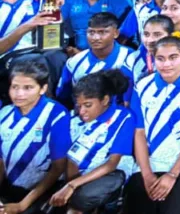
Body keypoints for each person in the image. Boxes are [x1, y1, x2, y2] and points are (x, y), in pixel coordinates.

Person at [126, 35, 180, 212]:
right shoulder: (142, 86)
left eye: (173, 57)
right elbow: (139, 132)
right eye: (160, 59)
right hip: (148, 162)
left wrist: (172, 174)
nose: (166, 64)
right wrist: (147, 174)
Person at [49, 70, 135, 213]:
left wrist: (72, 186)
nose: (82, 111)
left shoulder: (123, 118)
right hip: (77, 175)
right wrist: (70, 185)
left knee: (82, 198)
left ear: (105, 100)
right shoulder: (73, 118)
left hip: (108, 174)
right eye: (78, 105)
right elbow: (71, 159)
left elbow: (111, 164)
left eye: (88, 105)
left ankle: (111, 201)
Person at [0, 60, 71, 212]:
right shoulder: (4, 114)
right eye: (15, 87)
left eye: (28, 88)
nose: (19, 94)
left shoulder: (56, 115)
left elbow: (58, 167)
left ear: (43, 88)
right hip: (9, 186)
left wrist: (22, 205)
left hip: (43, 192)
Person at [54, 12, 134, 105]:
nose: (95, 38)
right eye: (91, 32)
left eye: (102, 32)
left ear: (116, 33)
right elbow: (63, 97)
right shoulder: (74, 62)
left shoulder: (131, 58)